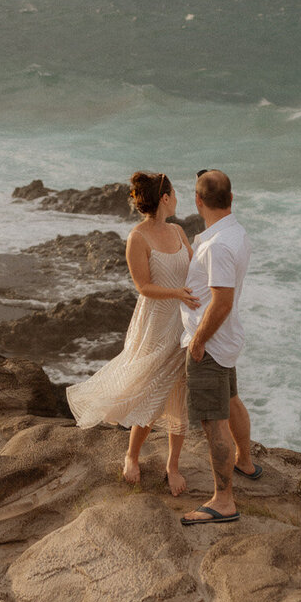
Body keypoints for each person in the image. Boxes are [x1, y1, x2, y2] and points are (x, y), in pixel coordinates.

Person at [66, 172, 201, 496]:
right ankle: (131, 455)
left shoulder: (179, 231)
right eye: (174, 193)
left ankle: (172, 465)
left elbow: (195, 270)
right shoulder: (137, 238)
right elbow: (143, 286)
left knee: (179, 393)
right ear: (165, 198)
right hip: (155, 322)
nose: (178, 198)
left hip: (183, 320)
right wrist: (178, 294)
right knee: (149, 391)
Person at [178, 168, 258, 526]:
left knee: (214, 422)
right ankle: (246, 461)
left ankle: (223, 500)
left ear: (198, 201)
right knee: (231, 399)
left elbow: (221, 302)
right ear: (230, 198)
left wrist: (198, 340)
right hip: (226, 340)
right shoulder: (234, 233)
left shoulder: (218, 246)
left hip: (210, 343)